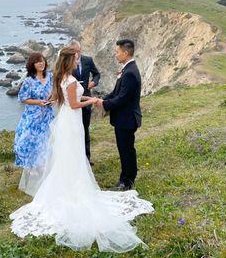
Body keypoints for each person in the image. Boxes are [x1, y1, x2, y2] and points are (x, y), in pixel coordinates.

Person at [10, 47, 154, 253]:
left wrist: (94, 100)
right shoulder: (68, 81)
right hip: (72, 121)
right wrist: (93, 100)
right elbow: (74, 104)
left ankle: (71, 182)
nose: (79, 61)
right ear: (69, 61)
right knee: (73, 154)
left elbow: (70, 101)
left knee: (73, 155)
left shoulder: (63, 78)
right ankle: (72, 187)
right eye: (76, 59)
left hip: (70, 121)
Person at [96, 39, 141, 191]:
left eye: (117, 52)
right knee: (125, 148)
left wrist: (104, 104)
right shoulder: (127, 69)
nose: (116, 55)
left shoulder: (129, 73)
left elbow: (122, 98)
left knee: (126, 149)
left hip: (126, 119)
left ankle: (127, 181)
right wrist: (103, 99)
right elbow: (116, 92)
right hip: (124, 118)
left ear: (125, 53)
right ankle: (127, 177)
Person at [14, 52, 55, 196]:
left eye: (42, 61)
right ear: (32, 64)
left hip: (47, 115)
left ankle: (42, 168)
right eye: (37, 62)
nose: (41, 64)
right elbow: (22, 98)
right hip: (33, 116)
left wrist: (52, 99)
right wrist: (38, 102)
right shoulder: (29, 81)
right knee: (29, 141)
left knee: (45, 141)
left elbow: (55, 92)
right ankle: (32, 167)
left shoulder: (50, 76)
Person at [70, 40, 100, 164]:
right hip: (73, 100)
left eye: (78, 51)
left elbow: (97, 74)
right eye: (73, 51)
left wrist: (93, 83)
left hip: (86, 96)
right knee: (73, 130)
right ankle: (75, 158)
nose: (76, 54)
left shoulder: (88, 60)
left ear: (80, 50)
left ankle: (86, 158)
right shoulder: (69, 64)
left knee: (85, 129)